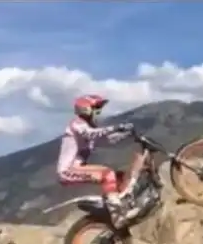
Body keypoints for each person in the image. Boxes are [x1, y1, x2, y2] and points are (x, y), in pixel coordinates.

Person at [55, 94, 140, 228]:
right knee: (107, 174)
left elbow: (108, 140)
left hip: (77, 167)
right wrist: (116, 127)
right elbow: (91, 134)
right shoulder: (76, 124)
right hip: (67, 170)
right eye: (96, 109)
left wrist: (128, 134)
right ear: (85, 109)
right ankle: (117, 217)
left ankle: (120, 207)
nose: (98, 112)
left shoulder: (90, 126)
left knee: (119, 176)